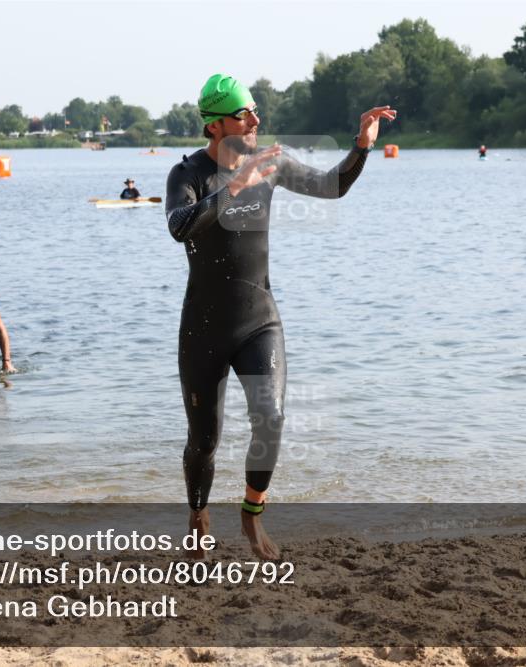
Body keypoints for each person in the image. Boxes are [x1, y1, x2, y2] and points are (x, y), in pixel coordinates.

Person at [165, 73, 395, 560]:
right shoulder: (187, 175)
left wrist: (361, 146)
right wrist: (236, 186)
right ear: (214, 126)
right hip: (204, 326)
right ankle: (199, 514)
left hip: (258, 320)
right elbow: (181, 227)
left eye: (254, 110)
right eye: (243, 113)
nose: (255, 119)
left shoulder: (269, 165)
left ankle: (252, 515)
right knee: (204, 440)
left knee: (270, 418)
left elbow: (332, 186)